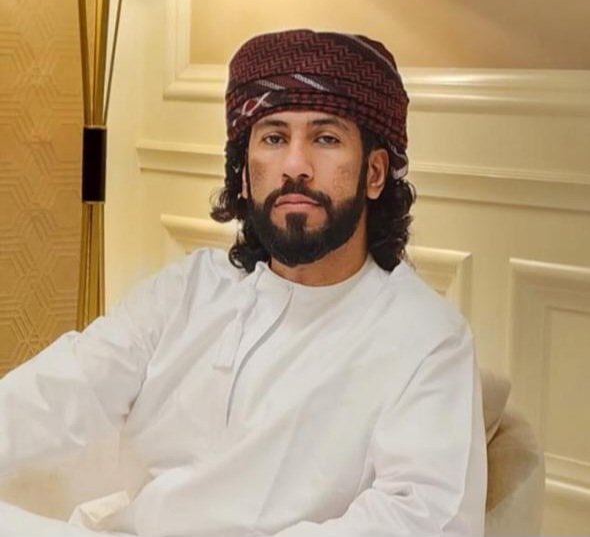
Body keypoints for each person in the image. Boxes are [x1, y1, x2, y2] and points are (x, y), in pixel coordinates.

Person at [0, 29, 487, 536]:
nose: (295, 166)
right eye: (274, 138)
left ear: (375, 173)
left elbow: (423, 518)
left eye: (326, 138)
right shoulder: (191, 288)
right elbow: (65, 387)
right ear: (246, 173)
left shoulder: (426, 339)